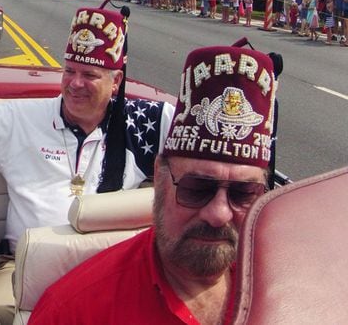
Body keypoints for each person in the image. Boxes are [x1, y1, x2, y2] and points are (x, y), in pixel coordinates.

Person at [0, 0, 174, 325]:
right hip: (26, 261)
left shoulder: (141, 122)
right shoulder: (22, 118)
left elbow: (208, 133)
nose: (75, 84)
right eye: (69, 71)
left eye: (90, 75)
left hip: (111, 263)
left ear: (116, 81)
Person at [30, 42, 280, 325]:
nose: (219, 213)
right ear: (159, 177)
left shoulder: (288, 289)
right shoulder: (73, 312)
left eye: (243, 193)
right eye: (197, 189)